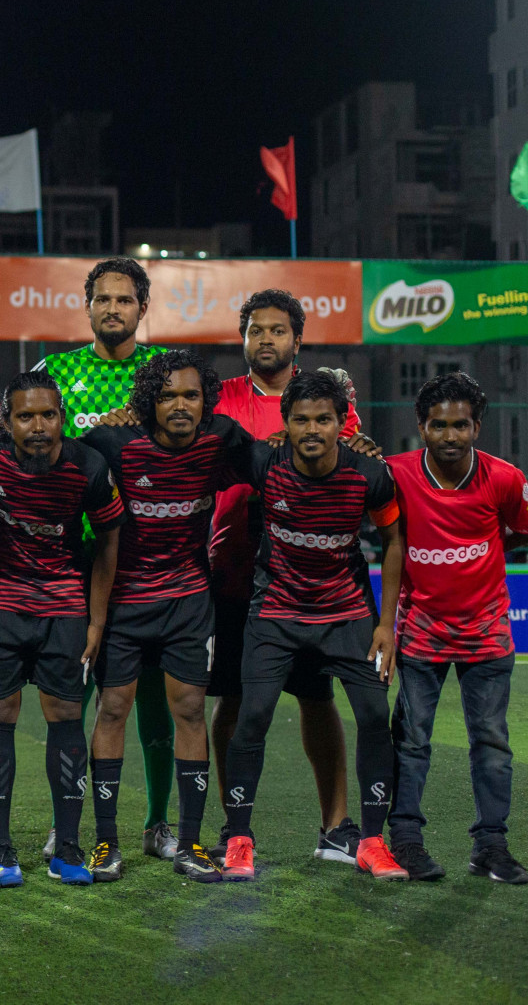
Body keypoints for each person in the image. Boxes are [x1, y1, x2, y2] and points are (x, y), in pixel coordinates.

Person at [66, 351, 248, 883]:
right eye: (167, 395)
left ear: (205, 402)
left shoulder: (222, 441)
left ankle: (189, 843)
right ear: (147, 403)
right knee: (113, 709)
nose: (180, 405)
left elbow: (275, 462)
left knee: (189, 710)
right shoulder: (112, 443)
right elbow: (54, 465)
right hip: (123, 603)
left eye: (191, 395)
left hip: (189, 602)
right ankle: (105, 842)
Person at [220, 372, 408, 882]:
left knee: (373, 716)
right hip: (275, 612)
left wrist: (386, 625)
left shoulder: (370, 475)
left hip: (346, 615)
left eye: (323, 419)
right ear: (284, 423)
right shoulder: (264, 462)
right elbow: (205, 432)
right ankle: (238, 838)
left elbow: (394, 541)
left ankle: (370, 841)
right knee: (252, 716)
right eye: (300, 419)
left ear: (342, 423)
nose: (312, 430)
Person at [207, 289, 363, 866]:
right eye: (255, 330)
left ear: (298, 338)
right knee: (233, 699)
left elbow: (349, 467)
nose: (265, 339)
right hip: (233, 570)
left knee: (318, 699)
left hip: (313, 578)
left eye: (277, 330)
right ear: (242, 338)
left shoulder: (326, 399)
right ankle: (234, 827)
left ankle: (336, 828)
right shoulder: (219, 399)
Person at [31, 257, 177, 864]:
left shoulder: (167, 373)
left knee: (156, 700)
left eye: (124, 299)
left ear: (143, 308)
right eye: (102, 299)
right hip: (73, 551)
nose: (112, 308)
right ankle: (66, 818)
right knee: (76, 696)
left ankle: (158, 823)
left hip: (151, 552)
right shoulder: (54, 371)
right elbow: (30, 444)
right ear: (87, 306)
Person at [0, 372, 123, 887]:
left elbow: (110, 539)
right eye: (25, 416)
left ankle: (68, 847)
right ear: (6, 423)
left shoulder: (88, 467)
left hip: (64, 609)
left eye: (47, 415)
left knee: (66, 715)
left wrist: (96, 619)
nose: (38, 426)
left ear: (62, 418)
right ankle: (1, 847)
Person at [386, 372, 528, 883]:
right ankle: (405, 841)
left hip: (487, 633)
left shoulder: (506, 479)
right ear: (421, 427)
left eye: (461, 426)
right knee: (411, 741)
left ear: (477, 427)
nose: (449, 436)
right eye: (438, 426)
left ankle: (490, 847)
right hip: (420, 633)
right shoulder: (396, 474)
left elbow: (520, 533)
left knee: (491, 742)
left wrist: (476, 563)